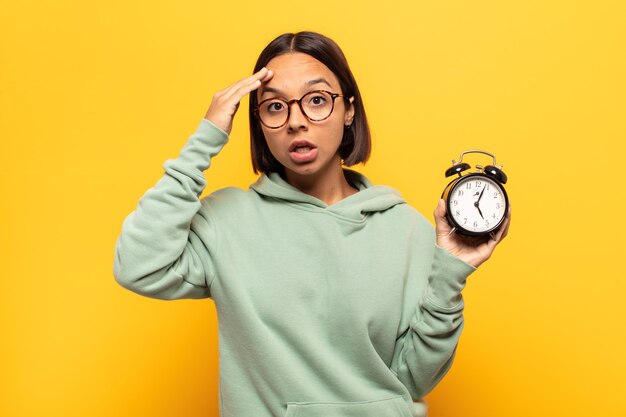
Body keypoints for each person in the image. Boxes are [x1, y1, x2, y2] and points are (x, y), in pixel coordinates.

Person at [112, 31, 510, 417]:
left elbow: (414, 377)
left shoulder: (407, 229)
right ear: (257, 121)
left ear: (348, 109)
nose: (296, 121)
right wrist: (207, 136)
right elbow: (138, 265)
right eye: (274, 106)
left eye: (317, 100)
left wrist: (451, 275)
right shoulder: (226, 222)